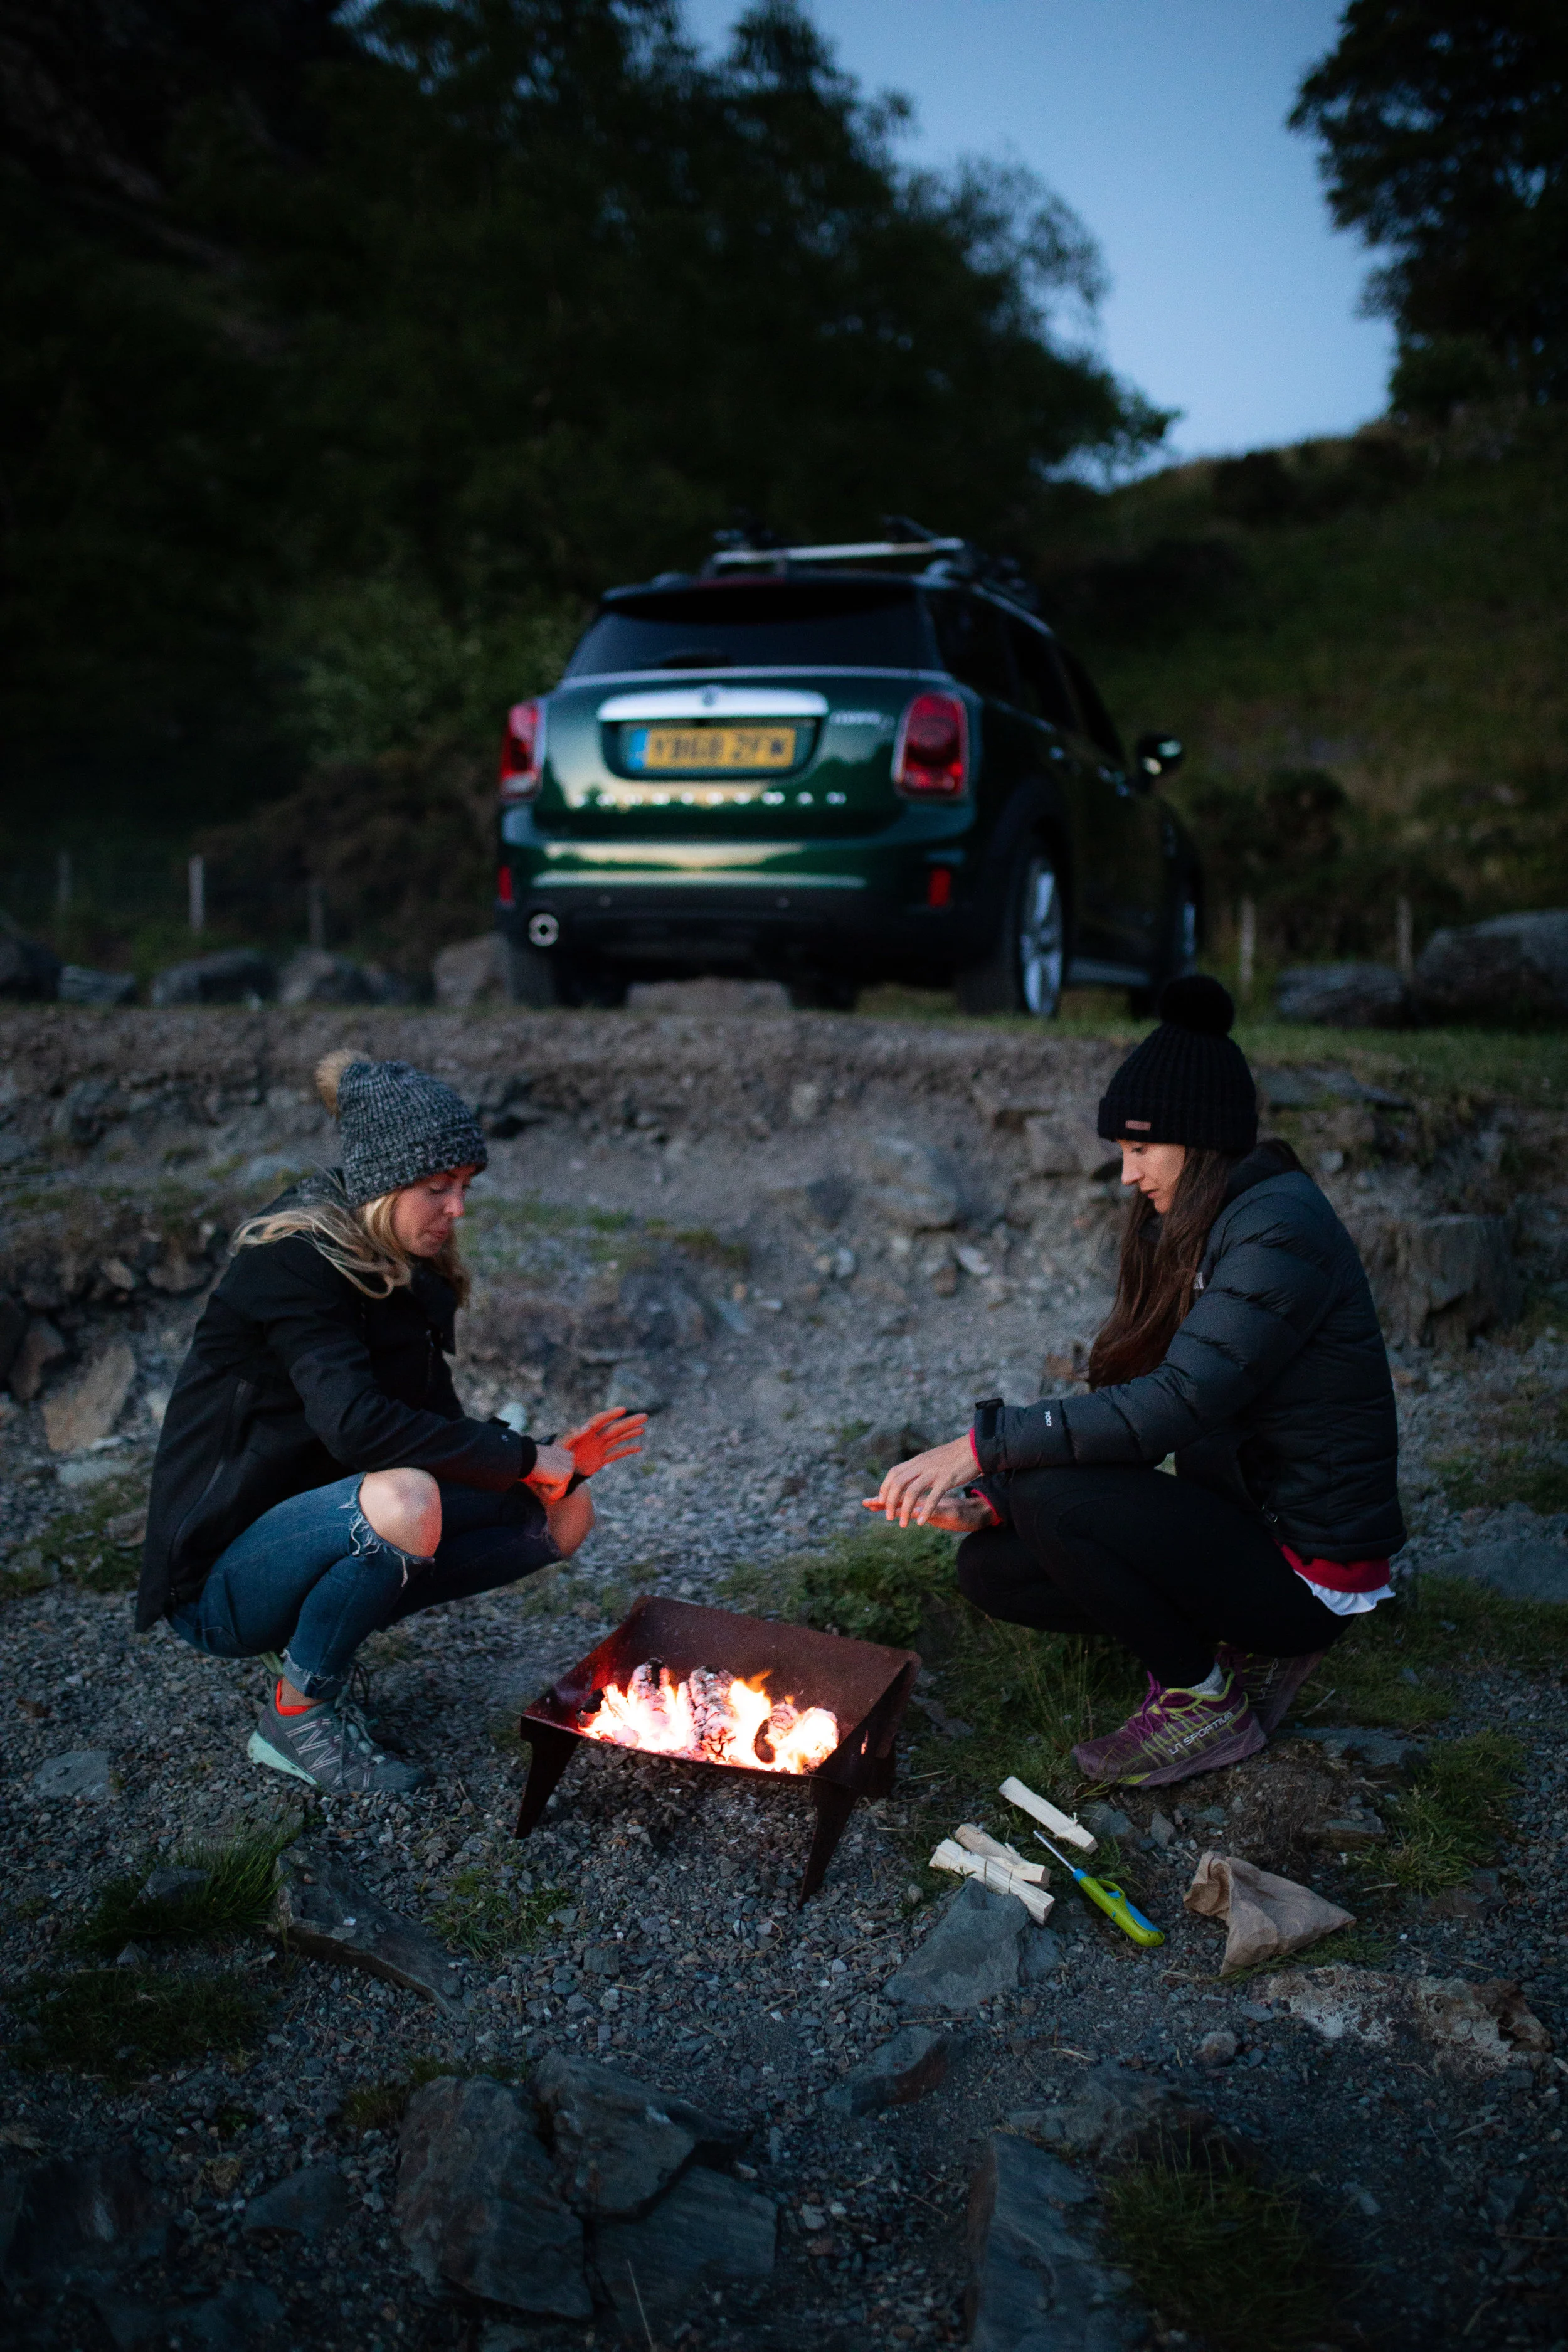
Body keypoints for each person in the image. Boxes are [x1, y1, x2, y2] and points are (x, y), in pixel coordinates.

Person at [865, 976, 1403, 1788]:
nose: (1126, 1174)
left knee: (1056, 1502)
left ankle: (1203, 1701)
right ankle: (1207, 1645)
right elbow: (1144, 1398)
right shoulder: (1214, 1223)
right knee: (992, 1565)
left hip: (1309, 1568)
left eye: (1139, 1148)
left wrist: (986, 1445)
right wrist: (995, 1499)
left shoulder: (1278, 1231)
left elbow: (1172, 1407)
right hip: (1246, 1518)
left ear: (1196, 1139)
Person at [135, 1049, 644, 1794]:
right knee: (405, 1500)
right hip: (220, 1584)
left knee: (562, 1516)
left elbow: (429, 1424)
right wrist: (522, 1455)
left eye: (465, 1187)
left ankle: (319, 1626)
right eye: (438, 1188)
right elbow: (362, 1430)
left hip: (320, 1520)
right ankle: (294, 1719)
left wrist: (544, 1465)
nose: (459, 1208)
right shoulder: (293, 1264)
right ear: (381, 1184)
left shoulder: (412, 1269)